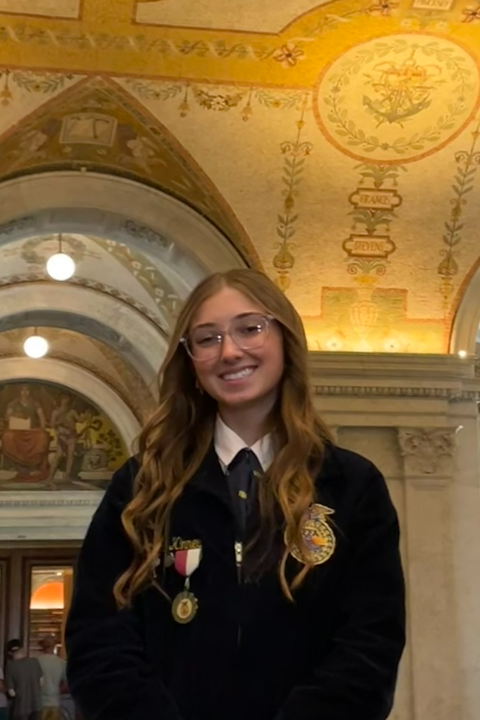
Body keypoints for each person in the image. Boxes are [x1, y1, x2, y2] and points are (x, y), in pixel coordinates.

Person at [66, 269, 406, 720]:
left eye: (250, 328)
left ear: (285, 338)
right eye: (207, 339)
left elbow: (370, 644)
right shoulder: (141, 486)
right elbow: (99, 641)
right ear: (190, 359)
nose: (229, 352)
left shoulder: (351, 485)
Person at [4, 639, 42, 720]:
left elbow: (11, 693)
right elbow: (41, 682)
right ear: (22, 649)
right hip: (36, 706)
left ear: (9, 653)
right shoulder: (35, 662)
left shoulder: (11, 667)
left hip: (20, 708)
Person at [36, 637, 67, 720]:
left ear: (42, 646)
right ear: (54, 646)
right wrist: (57, 691)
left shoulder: (36, 661)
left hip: (39, 701)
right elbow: (66, 684)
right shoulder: (61, 663)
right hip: (55, 701)